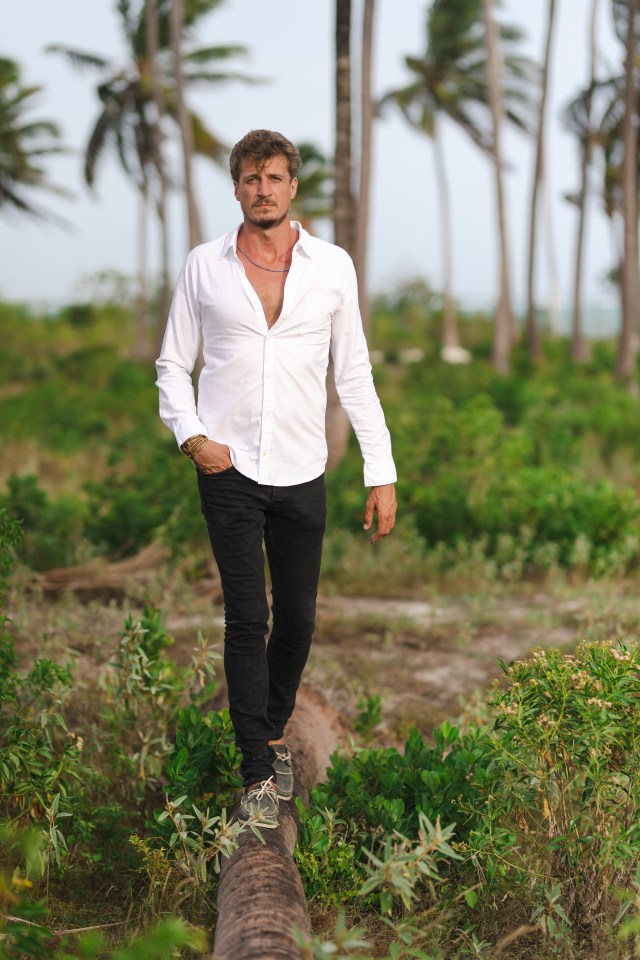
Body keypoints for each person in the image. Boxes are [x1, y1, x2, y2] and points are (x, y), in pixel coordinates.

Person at [155, 129, 397, 829]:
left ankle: (271, 724)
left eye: (275, 178)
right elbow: (173, 363)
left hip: (301, 465)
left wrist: (380, 471)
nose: (262, 189)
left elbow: (353, 372)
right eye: (250, 178)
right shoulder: (205, 266)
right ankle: (257, 770)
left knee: (296, 620)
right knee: (247, 616)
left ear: (293, 187)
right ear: (236, 187)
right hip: (225, 465)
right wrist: (192, 435)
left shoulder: (332, 268)